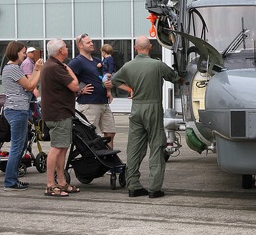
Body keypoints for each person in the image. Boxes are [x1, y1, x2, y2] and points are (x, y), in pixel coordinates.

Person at [112, 36, 180, 199]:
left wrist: (129, 89)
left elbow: (114, 80)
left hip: (136, 108)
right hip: (153, 107)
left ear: (135, 48)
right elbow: (174, 77)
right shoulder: (157, 65)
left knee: (134, 147)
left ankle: (133, 186)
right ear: (150, 47)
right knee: (157, 145)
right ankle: (154, 188)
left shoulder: (128, 66)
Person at [0, 41, 43, 191]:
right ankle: (10, 182)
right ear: (16, 52)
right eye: (23, 52)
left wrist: (36, 70)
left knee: (21, 145)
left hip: (16, 110)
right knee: (17, 147)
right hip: (17, 110)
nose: (24, 55)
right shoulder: (13, 69)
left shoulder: (9, 68)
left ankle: (12, 179)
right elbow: (30, 86)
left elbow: (28, 84)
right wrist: (38, 70)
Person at [41, 38, 80, 197]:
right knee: (56, 148)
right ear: (60, 51)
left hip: (59, 112)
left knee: (62, 148)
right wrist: (69, 70)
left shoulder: (51, 65)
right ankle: (50, 184)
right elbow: (74, 86)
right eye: (65, 46)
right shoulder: (57, 67)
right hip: (59, 114)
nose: (67, 48)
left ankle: (62, 182)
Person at [68, 33, 117, 148]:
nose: (92, 44)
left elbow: (104, 77)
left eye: (91, 41)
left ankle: (108, 159)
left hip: (104, 103)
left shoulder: (97, 61)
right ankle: (93, 161)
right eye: (88, 42)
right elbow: (66, 79)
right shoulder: (77, 62)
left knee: (110, 133)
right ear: (80, 45)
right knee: (90, 135)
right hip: (89, 104)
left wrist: (108, 88)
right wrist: (79, 91)